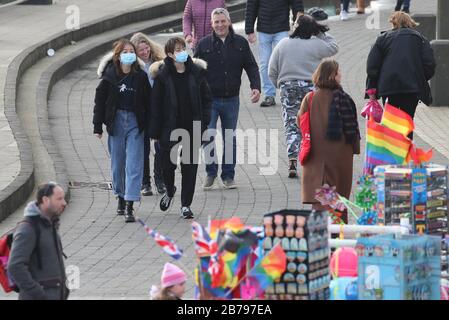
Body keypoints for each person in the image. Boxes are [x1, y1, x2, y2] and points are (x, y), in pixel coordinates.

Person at [195, 8, 261, 190]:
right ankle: (210, 172)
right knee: (207, 136)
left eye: (223, 21)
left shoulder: (240, 43)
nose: (220, 25)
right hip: (209, 100)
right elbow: (195, 71)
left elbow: (251, 66)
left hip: (231, 99)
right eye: (216, 22)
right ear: (211, 24)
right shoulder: (203, 44)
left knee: (229, 138)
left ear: (229, 22)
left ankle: (228, 176)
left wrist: (256, 87)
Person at [269, 14, 338, 178]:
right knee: (314, 124)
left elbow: (272, 70)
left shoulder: (283, 43)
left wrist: (279, 85)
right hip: (311, 88)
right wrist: (319, 32)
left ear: (296, 27)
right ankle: (314, 161)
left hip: (288, 87)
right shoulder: (317, 44)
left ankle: (292, 159)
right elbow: (334, 46)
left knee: (292, 125)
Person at [149, 37, 211, 219]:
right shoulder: (162, 76)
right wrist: (155, 131)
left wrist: (205, 121)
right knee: (167, 166)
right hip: (169, 128)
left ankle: (186, 205)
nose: (182, 52)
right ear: (169, 54)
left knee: (190, 167)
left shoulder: (196, 72)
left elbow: (207, 99)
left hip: (192, 127)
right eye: (177, 49)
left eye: (183, 48)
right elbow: (155, 105)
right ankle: (169, 190)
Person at [93, 39, 151, 222]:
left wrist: (152, 128)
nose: (129, 54)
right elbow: (99, 102)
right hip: (116, 122)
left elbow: (150, 103)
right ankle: (120, 195)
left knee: (134, 164)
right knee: (118, 164)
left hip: (135, 122)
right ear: (118, 56)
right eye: (125, 51)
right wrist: (97, 126)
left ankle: (130, 204)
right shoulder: (110, 77)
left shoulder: (140, 76)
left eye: (131, 51)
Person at [297, 59, 360, 224]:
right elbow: (353, 128)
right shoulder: (345, 99)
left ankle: (322, 232)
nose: (341, 75)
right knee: (336, 196)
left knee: (323, 196)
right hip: (340, 157)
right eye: (339, 72)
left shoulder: (310, 98)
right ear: (332, 75)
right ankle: (337, 232)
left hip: (317, 157)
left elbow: (300, 122)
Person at [366, 12, 436, 138]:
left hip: (389, 87)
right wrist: (420, 77)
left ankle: (392, 151)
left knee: (390, 121)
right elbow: (429, 64)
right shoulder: (420, 39)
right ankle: (405, 151)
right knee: (407, 120)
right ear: (410, 22)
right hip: (412, 88)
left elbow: (372, 67)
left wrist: (374, 87)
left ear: (393, 22)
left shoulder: (382, 39)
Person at [8, 182, 69, 300]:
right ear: (46, 200)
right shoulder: (28, 229)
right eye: (59, 199)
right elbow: (15, 266)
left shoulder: (50, 224)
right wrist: (38, 293)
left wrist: (64, 290)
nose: (64, 203)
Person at [245, 0, 304, 107]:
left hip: (282, 29)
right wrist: (249, 30)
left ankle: (287, 92)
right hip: (263, 31)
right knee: (264, 64)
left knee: (284, 63)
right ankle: (269, 95)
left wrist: (299, 24)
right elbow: (251, 7)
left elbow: (297, 4)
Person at [130, 32, 167, 196]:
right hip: (142, 111)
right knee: (143, 148)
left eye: (146, 49)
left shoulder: (159, 63)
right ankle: (145, 182)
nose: (145, 52)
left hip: (158, 110)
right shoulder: (133, 68)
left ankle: (159, 179)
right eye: (141, 50)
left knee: (160, 146)